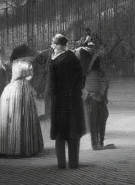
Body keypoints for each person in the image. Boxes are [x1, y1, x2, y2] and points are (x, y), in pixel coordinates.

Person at [0, 45, 44, 157]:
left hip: (11, 89)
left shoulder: (14, 64)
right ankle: (23, 147)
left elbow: (13, 78)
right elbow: (29, 78)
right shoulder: (27, 64)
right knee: (23, 115)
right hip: (23, 88)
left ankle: (10, 147)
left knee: (11, 116)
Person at [47, 34, 86, 169]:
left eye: (54, 44)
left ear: (61, 46)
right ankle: (74, 162)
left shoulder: (55, 61)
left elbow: (52, 84)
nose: (52, 46)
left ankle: (61, 163)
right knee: (73, 132)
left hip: (59, 102)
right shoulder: (73, 58)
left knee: (60, 133)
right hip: (73, 100)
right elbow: (81, 78)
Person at [82, 37, 109, 151]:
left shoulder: (94, 62)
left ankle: (99, 142)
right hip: (93, 95)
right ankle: (96, 143)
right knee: (96, 120)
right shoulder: (91, 60)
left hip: (95, 94)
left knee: (100, 118)